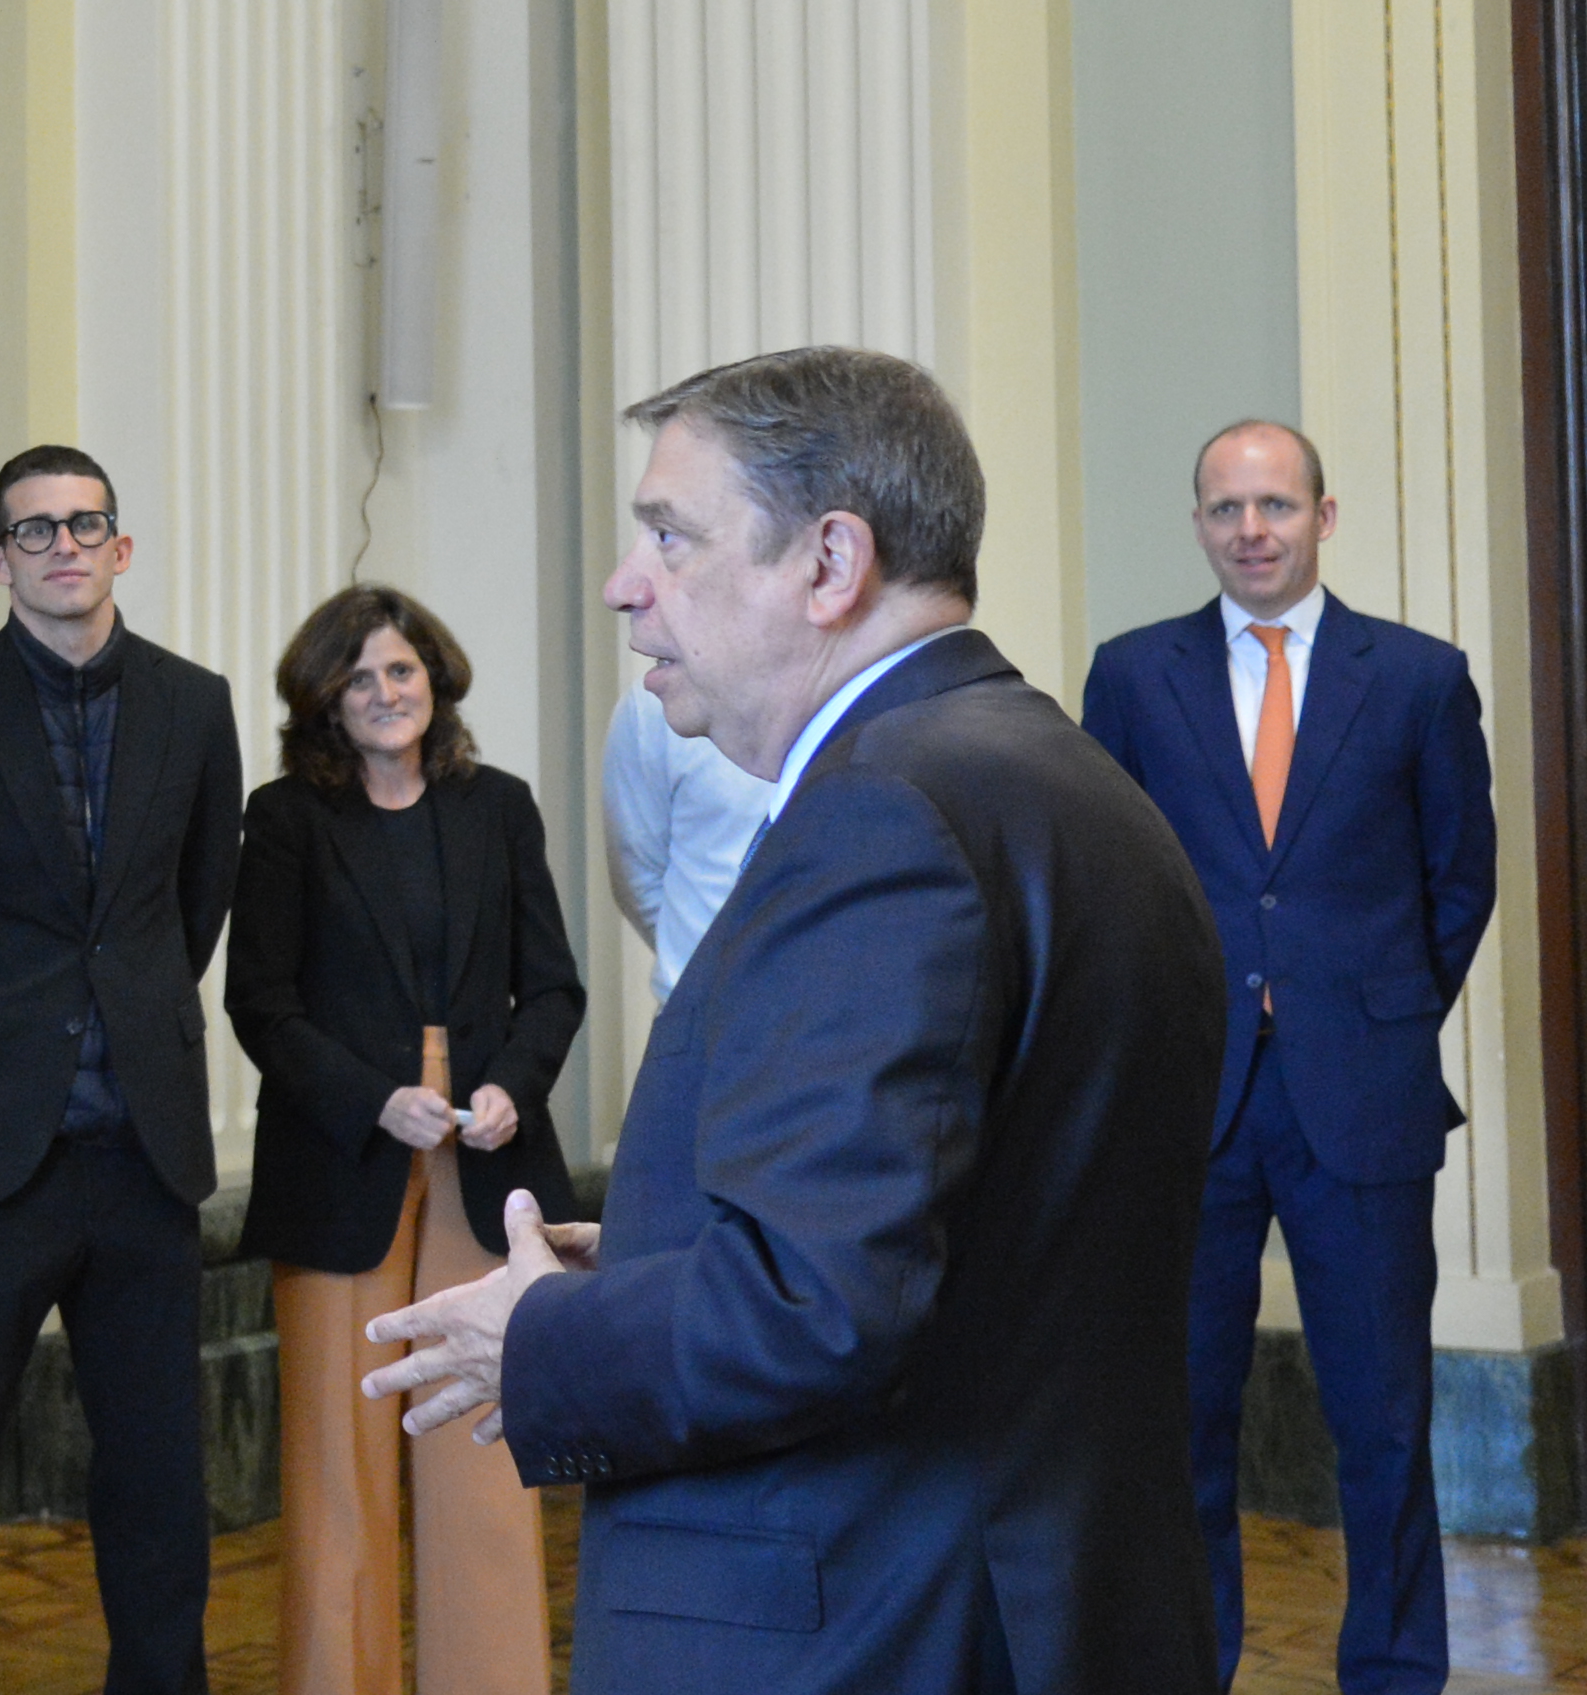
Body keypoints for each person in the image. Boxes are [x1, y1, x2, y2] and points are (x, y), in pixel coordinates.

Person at [361, 348, 1223, 1695]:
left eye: (670, 535)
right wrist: (652, 1257)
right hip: (1032, 1595)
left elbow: (820, 1308)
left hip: (870, 1622)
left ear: (830, 562)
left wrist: (537, 1339)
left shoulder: (883, 814)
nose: (625, 582)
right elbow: (977, 1228)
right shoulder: (1051, 771)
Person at [1080, 419, 1494, 1695]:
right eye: (1225, 507)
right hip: (1187, 1102)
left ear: (1324, 513)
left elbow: (1458, 881)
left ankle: (1395, 1668)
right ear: (1197, 523)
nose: (1250, 529)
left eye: (1274, 504)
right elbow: (1110, 879)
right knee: (1182, 1418)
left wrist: (1374, 1015)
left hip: (1360, 1099)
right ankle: (1189, 1664)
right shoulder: (1131, 675)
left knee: (1383, 1420)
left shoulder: (1416, 676)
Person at [0, 446, 248, 1695]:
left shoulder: (195, 704)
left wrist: (121, 1021)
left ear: (120, 546)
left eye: (84, 523)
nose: (62, 544)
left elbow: (192, 906)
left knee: (159, 1482)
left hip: (143, 1156)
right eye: (34, 529)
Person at [228, 585, 580, 1695]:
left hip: (486, 1156)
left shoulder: (499, 806)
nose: (384, 692)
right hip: (342, 1154)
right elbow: (260, 1004)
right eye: (359, 677)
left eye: (401, 669)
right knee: (341, 1463)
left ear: (435, 680)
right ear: (324, 700)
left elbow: (553, 988)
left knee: (482, 1452)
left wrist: (513, 1083)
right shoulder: (285, 818)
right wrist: (374, 1099)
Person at [596, 679, 766, 1001]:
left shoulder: (854, 686)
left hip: (840, 1010)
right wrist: (701, 958)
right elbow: (638, 879)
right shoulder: (655, 703)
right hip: (701, 1006)